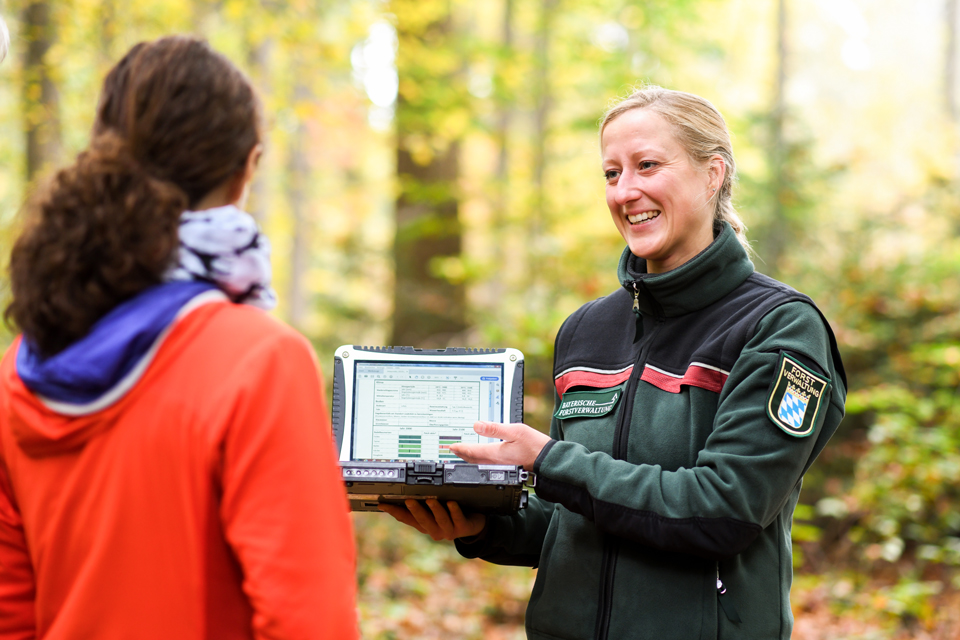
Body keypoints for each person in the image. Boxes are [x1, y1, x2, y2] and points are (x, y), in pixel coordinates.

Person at [382, 86, 847, 640]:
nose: (625, 191)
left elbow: (723, 510)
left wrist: (549, 461)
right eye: (611, 173)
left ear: (712, 174)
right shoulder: (586, 331)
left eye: (647, 165)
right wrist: (478, 524)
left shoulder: (779, 328)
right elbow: (573, 522)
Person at [0, 36, 358, 639]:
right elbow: (310, 621)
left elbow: (11, 616)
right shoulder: (260, 361)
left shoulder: (19, 370)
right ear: (246, 168)